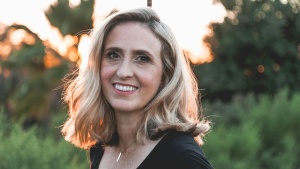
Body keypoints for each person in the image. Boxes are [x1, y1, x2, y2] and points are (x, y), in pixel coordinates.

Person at [61, 7, 214, 169]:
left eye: (142, 58)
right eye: (113, 55)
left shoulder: (182, 157)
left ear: (166, 75)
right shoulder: (101, 147)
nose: (124, 72)